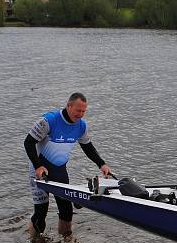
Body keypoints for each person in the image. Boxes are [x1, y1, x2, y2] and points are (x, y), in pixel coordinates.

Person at [24, 92, 112, 235]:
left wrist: (101, 164)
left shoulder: (81, 126)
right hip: (40, 170)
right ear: (69, 106)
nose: (81, 114)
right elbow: (28, 143)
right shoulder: (48, 121)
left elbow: (87, 147)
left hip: (59, 171)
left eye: (84, 111)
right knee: (41, 212)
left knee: (67, 211)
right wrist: (38, 165)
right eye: (78, 110)